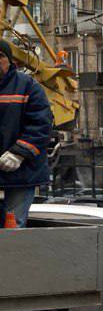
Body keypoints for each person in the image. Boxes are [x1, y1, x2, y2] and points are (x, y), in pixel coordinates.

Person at [0, 39, 53, 227]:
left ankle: (10, 256)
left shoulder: (27, 86)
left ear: (10, 60)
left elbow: (41, 124)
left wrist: (19, 153)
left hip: (21, 173)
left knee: (12, 226)